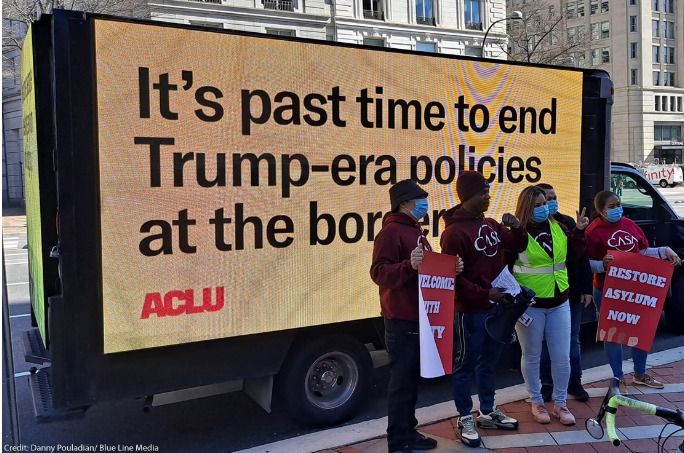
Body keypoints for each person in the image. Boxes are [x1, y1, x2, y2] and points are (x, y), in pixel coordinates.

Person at [371, 179, 462, 453]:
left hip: (419, 315)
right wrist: (408, 265)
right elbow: (379, 273)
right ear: (405, 202)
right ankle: (398, 441)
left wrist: (450, 267)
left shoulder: (414, 230)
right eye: (420, 198)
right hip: (401, 317)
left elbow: (427, 268)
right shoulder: (391, 233)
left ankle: (408, 431)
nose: (425, 203)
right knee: (402, 383)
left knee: (410, 381)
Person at [440, 171, 526, 448]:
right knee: (465, 365)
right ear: (469, 196)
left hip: (497, 307)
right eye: (483, 193)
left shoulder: (489, 224)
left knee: (489, 362)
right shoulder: (453, 233)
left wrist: (518, 227)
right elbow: (452, 278)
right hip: (471, 311)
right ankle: (465, 416)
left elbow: (517, 245)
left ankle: (487, 411)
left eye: (488, 191)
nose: (488, 196)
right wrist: (484, 293)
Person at [509, 186, 589, 426]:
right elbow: (505, 267)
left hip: (559, 301)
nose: (544, 208)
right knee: (532, 355)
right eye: (538, 205)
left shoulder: (560, 226)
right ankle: (537, 402)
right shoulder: (517, 233)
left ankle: (561, 403)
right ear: (526, 207)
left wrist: (579, 232)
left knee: (562, 356)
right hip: (531, 305)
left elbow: (572, 257)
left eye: (546, 203)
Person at [586, 190, 681, 390]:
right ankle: (618, 377)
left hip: (636, 288)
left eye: (618, 204)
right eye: (611, 207)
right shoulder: (593, 231)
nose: (616, 209)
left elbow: (642, 252)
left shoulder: (629, 224)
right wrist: (601, 265)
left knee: (641, 329)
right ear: (600, 210)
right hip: (607, 290)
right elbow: (585, 264)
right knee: (613, 334)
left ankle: (640, 373)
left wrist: (664, 251)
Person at [536, 183, 593, 403]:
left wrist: (586, 288)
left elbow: (581, 258)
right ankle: (547, 385)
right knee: (543, 343)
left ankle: (574, 382)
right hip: (544, 295)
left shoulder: (568, 223)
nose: (550, 203)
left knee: (572, 340)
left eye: (553, 197)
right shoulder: (531, 227)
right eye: (546, 199)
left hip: (571, 291)